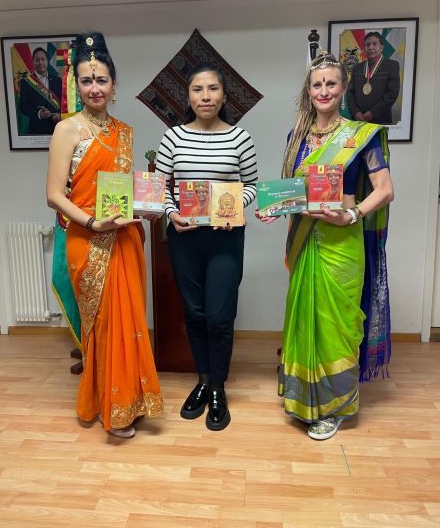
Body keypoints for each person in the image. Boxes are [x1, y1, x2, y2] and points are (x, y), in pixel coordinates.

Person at [257, 52, 394, 440]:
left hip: (342, 241)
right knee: (305, 319)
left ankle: (335, 407)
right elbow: (294, 192)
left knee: (337, 324)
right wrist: (274, 209)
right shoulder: (296, 137)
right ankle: (304, 400)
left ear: (344, 88)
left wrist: (352, 215)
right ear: (308, 90)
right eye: (317, 84)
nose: (323, 91)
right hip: (305, 239)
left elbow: (385, 190)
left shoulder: (361, 136)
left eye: (331, 83)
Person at [46, 32, 163, 438]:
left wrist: (146, 206)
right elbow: (54, 195)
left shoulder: (124, 131)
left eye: (101, 80)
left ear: (114, 85)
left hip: (125, 237)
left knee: (129, 322)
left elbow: (121, 191)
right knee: (104, 325)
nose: (94, 88)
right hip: (88, 238)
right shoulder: (67, 130)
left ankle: (129, 399)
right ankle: (111, 408)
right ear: (77, 86)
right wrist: (93, 223)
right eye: (86, 81)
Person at [155, 63, 258, 431]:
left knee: (219, 315)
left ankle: (218, 387)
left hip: (225, 237)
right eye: (198, 89)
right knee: (195, 313)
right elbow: (159, 187)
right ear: (188, 96)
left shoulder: (240, 138)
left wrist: (231, 209)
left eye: (213, 89)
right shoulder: (173, 138)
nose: (205, 96)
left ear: (224, 95)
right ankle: (202, 380)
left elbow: (251, 185)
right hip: (185, 238)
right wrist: (171, 213)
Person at [346, 32, 400, 125]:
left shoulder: (391, 65)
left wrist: (372, 113)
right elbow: (350, 93)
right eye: (367, 45)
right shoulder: (357, 68)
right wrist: (355, 112)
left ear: (381, 47)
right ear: (364, 49)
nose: (371, 47)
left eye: (374, 44)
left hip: (381, 120)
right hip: (358, 121)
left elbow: (392, 94)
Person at [19, 47, 62, 135]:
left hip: (57, 127)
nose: (40, 62)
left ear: (47, 61)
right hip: (36, 129)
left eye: (43, 59)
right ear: (33, 62)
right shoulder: (26, 82)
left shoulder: (58, 81)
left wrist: (60, 115)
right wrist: (39, 113)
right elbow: (23, 106)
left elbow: (65, 102)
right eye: (37, 60)